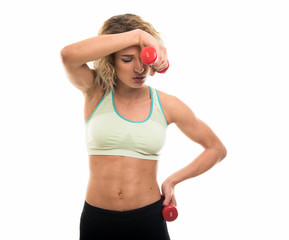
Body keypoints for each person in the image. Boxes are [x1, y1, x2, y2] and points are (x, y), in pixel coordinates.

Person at [60, 13, 227, 240]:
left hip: (147, 220)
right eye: (127, 59)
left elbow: (216, 149)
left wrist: (172, 180)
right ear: (111, 59)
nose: (139, 69)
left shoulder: (167, 105)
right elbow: (68, 55)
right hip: (98, 220)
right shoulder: (94, 90)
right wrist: (140, 35)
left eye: (144, 59)